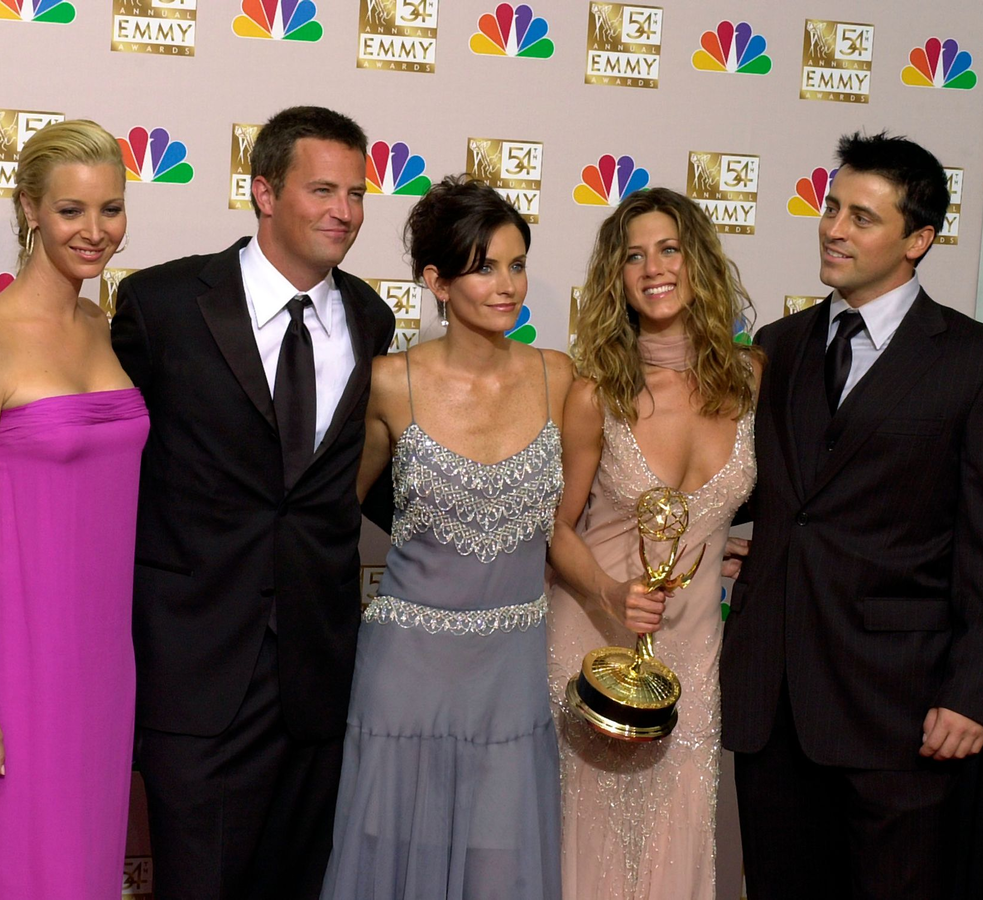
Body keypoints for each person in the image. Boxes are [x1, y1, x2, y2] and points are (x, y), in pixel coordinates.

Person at [109, 106, 395, 900]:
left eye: (357, 193)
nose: (345, 211)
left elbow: (375, 481)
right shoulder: (163, 304)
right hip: (194, 668)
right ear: (264, 192)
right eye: (323, 190)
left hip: (317, 675)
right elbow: (106, 472)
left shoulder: (371, 318)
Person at [721, 132, 983, 900]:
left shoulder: (969, 360)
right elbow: (770, 495)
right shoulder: (778, 346)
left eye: (862, 217)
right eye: (832, 207)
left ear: (918, 240)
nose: (834, 228)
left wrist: (971, 691)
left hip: (902, 707)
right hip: (773, 701)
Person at [0, 120, 148, 899]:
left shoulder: (103, 327)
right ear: (30, 209)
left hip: (100, 666)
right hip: (10, 664)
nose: (95, 231)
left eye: (110, 209)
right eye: (71, 210)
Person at [321, 175, 573, 900]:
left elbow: (578, 519)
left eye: (517, 264)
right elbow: (333, 513)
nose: (507, 285)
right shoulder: (389, 382)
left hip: (511, 675)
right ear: (436, 281)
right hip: (406, 674)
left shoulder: (558, 379)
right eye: (484, 267)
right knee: (393, 870)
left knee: (499, 872)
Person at [546, 187, 761, 899]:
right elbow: (556, 527)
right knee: (592, 845)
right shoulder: (596, 394)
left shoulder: (752, 379)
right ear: (617, 279)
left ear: (698, 260)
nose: (654, 268)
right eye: (634, 256)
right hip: (595, 639)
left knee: (678, 838)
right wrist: (611, 593)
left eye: (669, 249)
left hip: (694, 653)